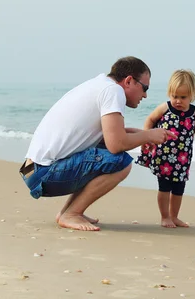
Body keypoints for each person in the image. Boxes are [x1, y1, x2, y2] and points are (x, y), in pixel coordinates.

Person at [19, 56, 177, 231]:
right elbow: (116, 144)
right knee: (120, 162)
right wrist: (148, 136)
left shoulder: (98, 85)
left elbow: (106, 137)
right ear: (129, 81)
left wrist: (143, 135)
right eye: (144, 88)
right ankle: (71, 213)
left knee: (103, 153)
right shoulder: (113, 91)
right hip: (44, 174)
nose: (145, 95)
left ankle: (68, 211)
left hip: (31, 169)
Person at [136, 69, 195, 228]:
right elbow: (150, 120)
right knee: (164, 187)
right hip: (163, 156)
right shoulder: (165, 108)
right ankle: (165, 217)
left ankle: (174, 216)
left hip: (182, 159)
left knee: (179, 188)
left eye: (183, 97)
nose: (178, 101)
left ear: (192, 95)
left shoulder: (194, 112)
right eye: (174, 96)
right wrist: (146, 138)